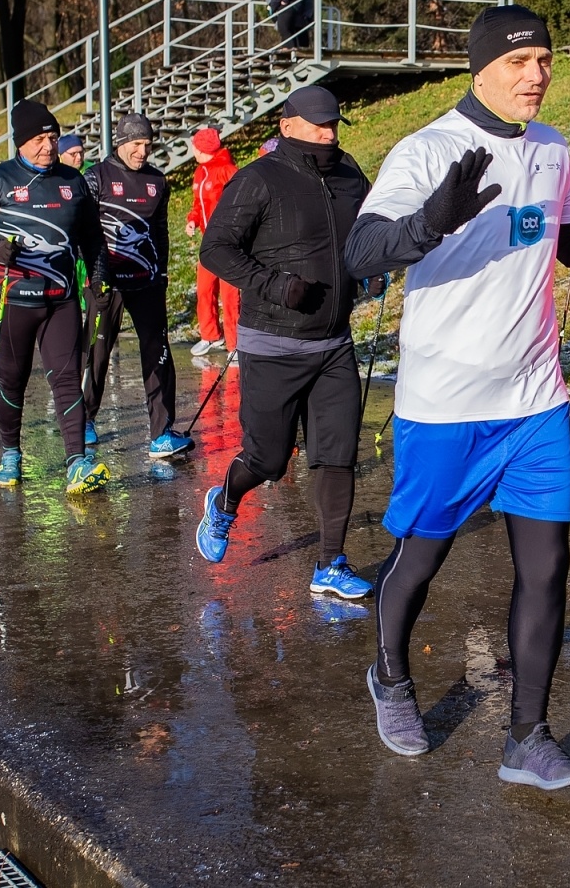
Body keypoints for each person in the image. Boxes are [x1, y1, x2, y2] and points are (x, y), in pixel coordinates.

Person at [342, 4, 570, 789]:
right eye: (521, 62)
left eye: (546, 60)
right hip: (446, 403)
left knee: (549, 566)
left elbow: (569, 245)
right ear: (481, 67)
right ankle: (390, 676)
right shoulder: (429, 149)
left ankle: (527, 736)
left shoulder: (553, 149)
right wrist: (429, 221)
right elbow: (361, 251)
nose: (537, 75)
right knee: (420, 558)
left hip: (534, 400)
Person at [194, 85, 380, 601]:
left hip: (334, 343)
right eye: (318, 124)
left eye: (334, 124)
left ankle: (330, 563)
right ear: (288, 125)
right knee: (270, 460)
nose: (328, 133)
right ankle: (225, 502)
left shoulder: (348, 175)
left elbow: (363, 237)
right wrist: (276, 285)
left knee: (338, 455)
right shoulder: (258, 179)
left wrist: (370, 272)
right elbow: (217, 250)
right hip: (272, 342)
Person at [0, 98, 111, 495]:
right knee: (12, 379)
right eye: (39, 139)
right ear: (20, 142)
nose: (48, 146)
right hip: (13, 297)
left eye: (53, 138)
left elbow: (92, 238)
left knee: (66, 378)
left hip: (61, 298)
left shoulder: (73, 181)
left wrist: (98, 278)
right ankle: (11, 453)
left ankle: (76, 461)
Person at [81, 113, 190, 459]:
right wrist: (96, 275)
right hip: (106, 282)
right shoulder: (97, 177)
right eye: (136, 144)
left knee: (158, 353)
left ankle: (161, 432)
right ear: (120, 142)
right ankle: (83, 420)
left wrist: (161, 273)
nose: (142, 152)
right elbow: (83, 232)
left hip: (146, 282)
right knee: (96, 352)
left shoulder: (157, 181)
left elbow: (160, 231)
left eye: (147, 145)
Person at [185, 127, 240, 358]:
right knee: (205, 289)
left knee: (230, 293)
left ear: (203, 148)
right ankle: (210, 335)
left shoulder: (227, 170)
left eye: (195, 147)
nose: (193, 152)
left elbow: (240, 203)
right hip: (208, 241)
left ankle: (235, 343)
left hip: (228, 242)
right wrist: (192, 220)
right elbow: (198, 205)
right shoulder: (199, 172)